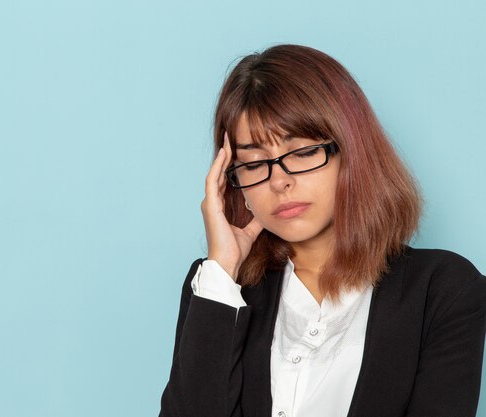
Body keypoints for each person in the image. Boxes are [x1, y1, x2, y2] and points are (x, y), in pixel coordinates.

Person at [159, 44, 486, 417]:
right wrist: (221, 270)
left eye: (302, 153)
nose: (278, 182)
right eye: (253, 163)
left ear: (352, 152)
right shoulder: (217, 289)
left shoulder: (443, 290)